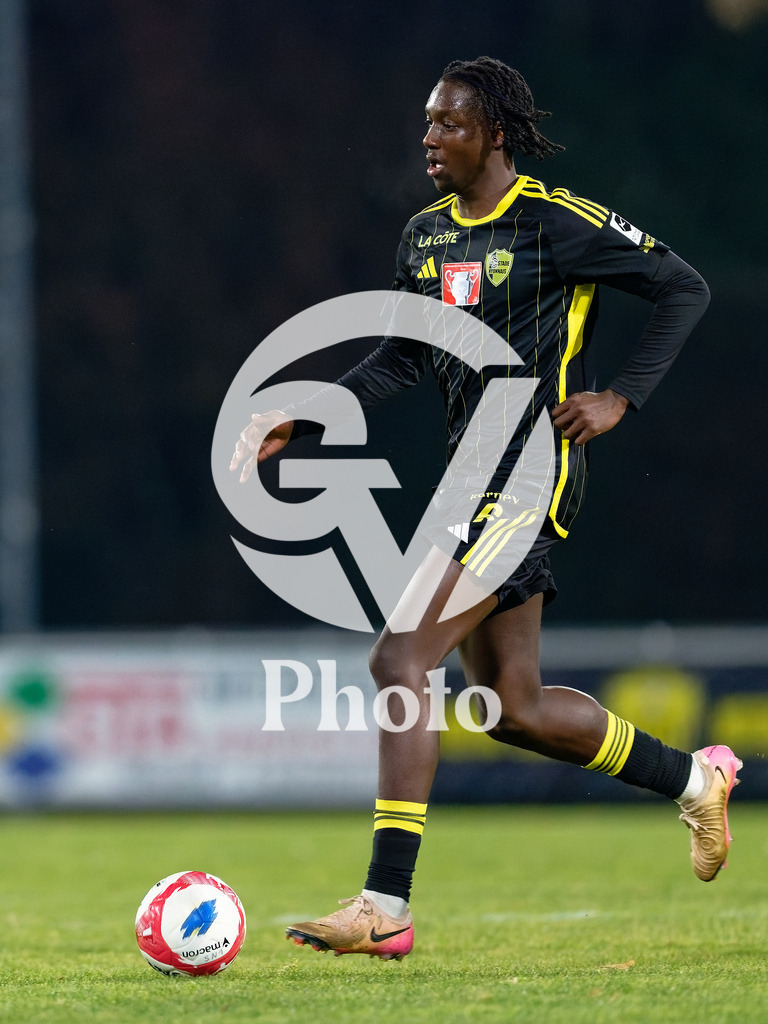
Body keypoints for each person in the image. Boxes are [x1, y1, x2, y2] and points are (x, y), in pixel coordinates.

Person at [230, 56, 740, 961]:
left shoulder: (552, 221)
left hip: (530, 467)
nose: (430, 139)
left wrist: (621, 396)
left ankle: (385, 905)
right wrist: (304, 417)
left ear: (495, 134)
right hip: (473, 478)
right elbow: (398, 356)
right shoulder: (424, 237)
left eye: (449, 124)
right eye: (427, 123)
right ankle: (695, 779)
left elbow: (682, 286)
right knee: (511, 707)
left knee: (398, 658)